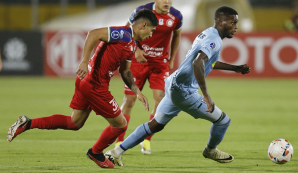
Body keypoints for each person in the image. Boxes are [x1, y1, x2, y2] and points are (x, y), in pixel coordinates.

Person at [7, 9, 158, 169]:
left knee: (74, 123)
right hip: (94, 84)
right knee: (120, 125)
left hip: (86, 82)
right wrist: (84, 61)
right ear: (143, 25)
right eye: (152, 30)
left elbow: (125, 71)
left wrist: (138, 92)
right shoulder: (123, 33)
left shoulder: (131, 45)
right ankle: (96, 152)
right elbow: (93, 34)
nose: (151, 35)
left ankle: (27, 123)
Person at [105, 6, 250, 166]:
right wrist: (206, 96)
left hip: (174, 85)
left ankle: (115, 152)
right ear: (221, 21)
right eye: (233, 23)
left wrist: (235, 68)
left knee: (154, 125)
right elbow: (197, 63)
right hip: (185, 91)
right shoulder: (213, 40)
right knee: (223, 121)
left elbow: (207, 61)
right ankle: (210, 150)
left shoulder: (208, 33)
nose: (236, 26)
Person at [116, 0, 183, 155]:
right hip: (138, 62)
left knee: (160, 104)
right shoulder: (142, 10)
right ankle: (119, 140)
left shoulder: (177, 16)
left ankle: (146, 140)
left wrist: (172, 59)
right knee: (129, 101)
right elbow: (127, 28)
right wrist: (137, 49)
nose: (167, 2)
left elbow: (177, 36)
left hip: (160, 65)